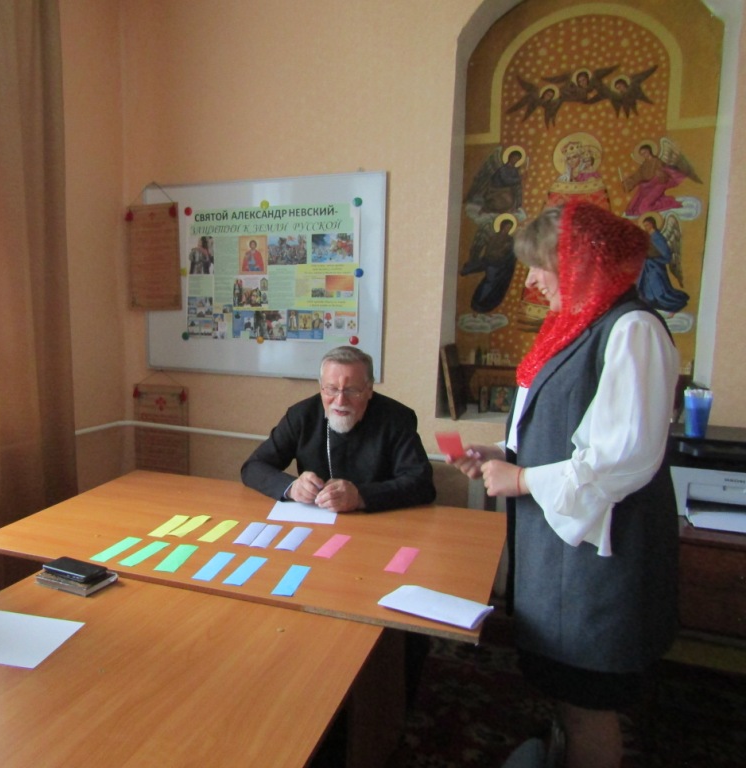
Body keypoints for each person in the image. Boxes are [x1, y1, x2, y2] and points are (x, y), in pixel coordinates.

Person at [448, 203, 680, 768]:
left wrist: (522, 477)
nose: (530, 282)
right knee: (564, 691)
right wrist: (504, 454)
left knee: (588, 702)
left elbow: (622, 458)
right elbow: (560, 432)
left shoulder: (632, 330)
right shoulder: (573, 326)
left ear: (582, 263)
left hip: (600, 562)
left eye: (540, 267)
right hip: (560, 554)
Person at [241, 346, 435, 513]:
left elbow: (422, 484)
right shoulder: (302, 416)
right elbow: (253, 467)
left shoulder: (396, 418)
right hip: (317, 523)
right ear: (321, 387)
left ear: (369, 390)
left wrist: (360, 496)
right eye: (332, 389)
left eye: (351, 390)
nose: (340, 401)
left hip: (380, 522)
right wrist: (292, 487)